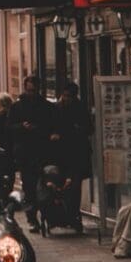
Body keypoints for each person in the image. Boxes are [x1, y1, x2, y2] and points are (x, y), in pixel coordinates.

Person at [8, 76, 54, 232]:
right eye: (28, 90)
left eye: (33, 91)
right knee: (29, 186)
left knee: (44, 185)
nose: (31, 93)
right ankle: (32, 218)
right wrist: (22, 126)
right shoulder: (17, 107)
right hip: (25, 153)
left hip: (42, 151)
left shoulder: (47, 107)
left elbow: (52, 126)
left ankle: (46, 216)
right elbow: (9, 128)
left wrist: (40, 130)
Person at [51, 83, 91, 231]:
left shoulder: (80, 108)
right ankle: (61, 215)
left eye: (70, 97)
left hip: (76, 153)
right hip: (60, 154)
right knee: (60, 184)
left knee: (74, 186)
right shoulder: (55, 109)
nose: (67, 99)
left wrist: (76, 130)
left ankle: (73, 215)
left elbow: (88, 128)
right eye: (65, 96)